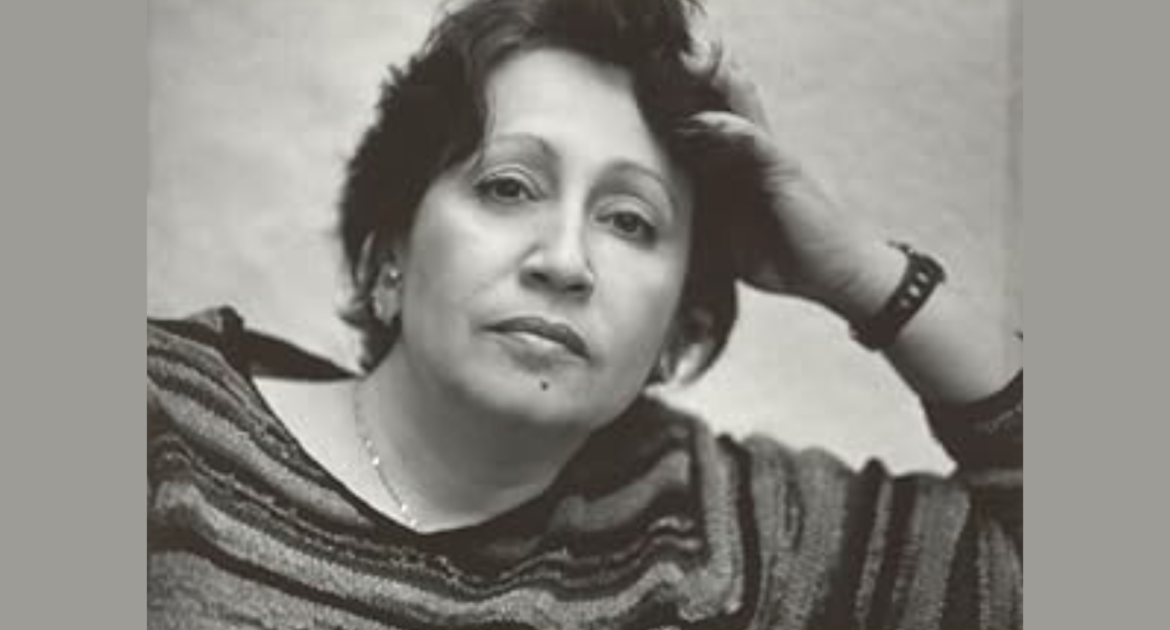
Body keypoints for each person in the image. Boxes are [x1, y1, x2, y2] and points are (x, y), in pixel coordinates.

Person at [147, 0, 1022, 627]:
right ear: (388, 257)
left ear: (677, 330)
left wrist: (866, 278)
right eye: (508, 186)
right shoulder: (165, 423)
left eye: (630, 221)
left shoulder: (716, 534)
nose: (564, 261)